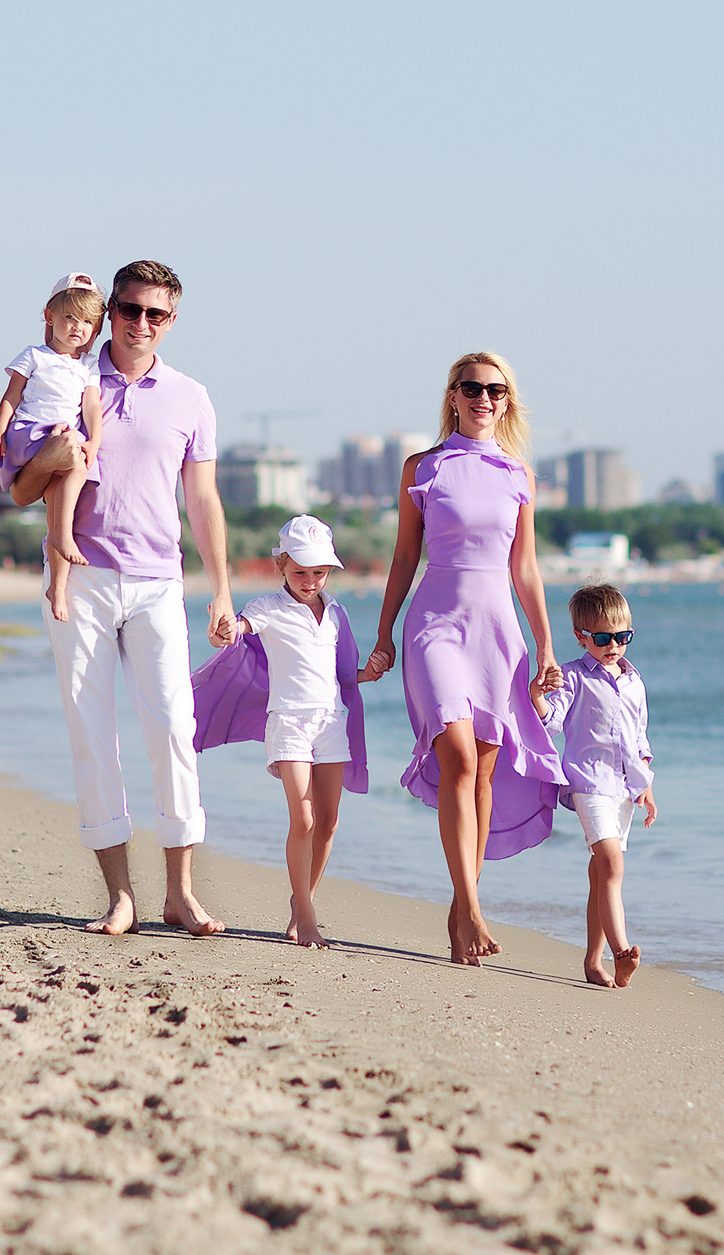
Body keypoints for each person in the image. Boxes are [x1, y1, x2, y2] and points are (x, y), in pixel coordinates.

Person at [43, 259, 237, 937]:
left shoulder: (191, 397)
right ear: (110, 312)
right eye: (129, 309)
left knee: (174, 731)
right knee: (92, 737)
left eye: (155, 313)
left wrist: (221, 591)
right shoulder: (69, 381)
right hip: (82, 579)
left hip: (159, 584)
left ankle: (180, 894)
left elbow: (203, 498)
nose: (140, 323)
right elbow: (25, 475)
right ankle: (120, 895)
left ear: (172, 321)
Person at [359, 352, 564, 966]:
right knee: (457, 754)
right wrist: (384, 632)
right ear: (453, 395)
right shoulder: (422, 467)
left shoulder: (518, 474)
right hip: (435, 626)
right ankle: (473, 909)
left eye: (495, 390)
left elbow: (526, 569)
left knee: (484, 771)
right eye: (471, 387)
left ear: (507, 401)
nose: (483, 398)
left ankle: (461, 911)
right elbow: (404, 557)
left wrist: (546, 645)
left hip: (498, 633)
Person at [190, 515, 368, 948]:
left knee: (328, 823)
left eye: (319, 572)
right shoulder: (267, 608)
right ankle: (306, 915)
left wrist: (370, 672)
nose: (310, 581)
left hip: (331, 722)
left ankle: (301, 898)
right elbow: (237, 631)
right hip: (288, 723)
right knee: (303, 818)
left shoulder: (337, 613)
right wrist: (225, 628)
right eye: (301, 572)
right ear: (281, 566)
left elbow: (344, 674)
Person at [533, 583, 657, 988]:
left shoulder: (634, 681)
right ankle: (621, 953)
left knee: (600, 873)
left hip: (624, 789)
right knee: (612, 865)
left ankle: (592, 962)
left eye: (623, 637)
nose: (613, 646)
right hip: (588, 782)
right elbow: (551, 722)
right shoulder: (572, 676)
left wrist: (646, 786)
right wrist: (537, 695)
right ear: (581, 636)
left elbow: (640, 740)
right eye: (603, 639)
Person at [0, 272, 105, 621]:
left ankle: (58, 586)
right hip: (30, 433)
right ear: (50, 316)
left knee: (60, 502)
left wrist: (95, 441)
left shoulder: (88, 366)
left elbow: (92, 406)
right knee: (75, 463)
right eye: (70, 317)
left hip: (64, 438)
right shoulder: (35, 356)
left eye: (87, 322)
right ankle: (64, 537)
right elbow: (11, 397)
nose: (78, 327)